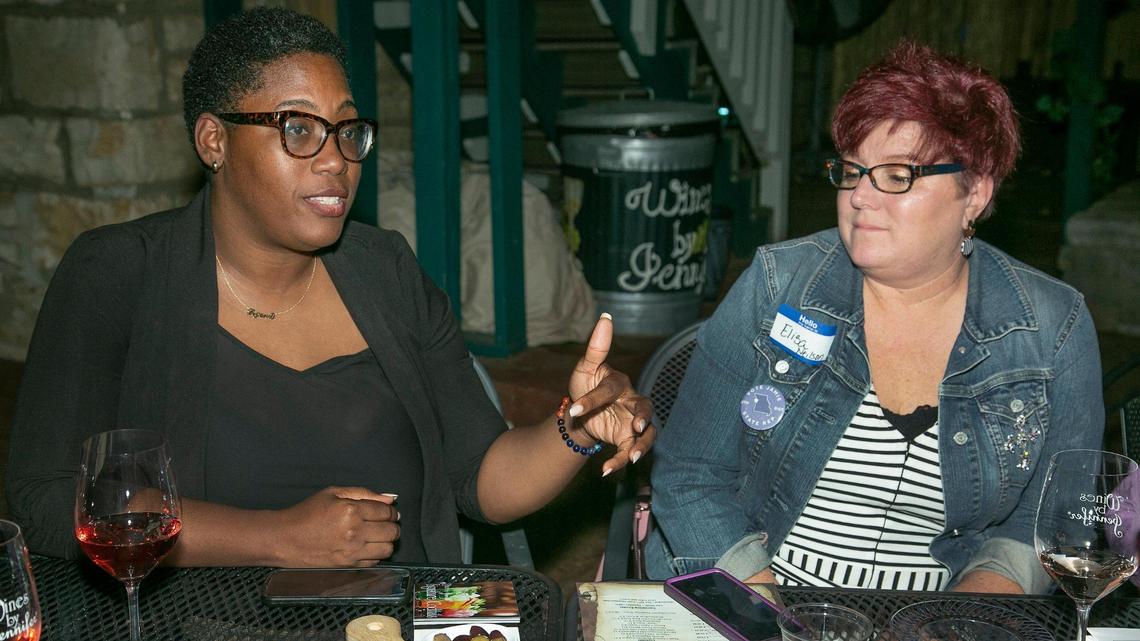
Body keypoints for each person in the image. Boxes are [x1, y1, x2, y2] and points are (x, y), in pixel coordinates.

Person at [8, 7, 653, 567]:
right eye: (297, 128)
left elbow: (482, 477)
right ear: (214, 141)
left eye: (347, 131)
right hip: (203, 621)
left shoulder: (386, 271)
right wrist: (279, 537)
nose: (335, 158)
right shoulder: (117, 274)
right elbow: (44, 500)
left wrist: (577, 427)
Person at [646, 41, 1103, 594]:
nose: (860, 196)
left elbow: (1049, 523)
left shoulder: (1051, 330)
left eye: (897, 175)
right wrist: (773, 623)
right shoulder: (778, 287)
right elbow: (690, 476)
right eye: (853, 170)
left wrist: (946, 629)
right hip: (762, 595)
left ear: (974, 194)